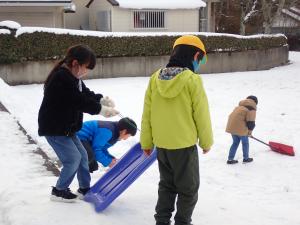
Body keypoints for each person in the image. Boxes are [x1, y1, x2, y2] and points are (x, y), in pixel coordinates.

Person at [140, 35, 213, 225]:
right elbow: (201, 115)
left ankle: (162, 221)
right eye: (201, 59)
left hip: (162, 146)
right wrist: (206, 141)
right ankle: (183, 222)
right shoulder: (192, 80)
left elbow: (147, 113)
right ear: (195, 55)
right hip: (184, 146)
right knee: (188, 188)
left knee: (167, 185)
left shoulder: (155, 78)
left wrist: (146, 142)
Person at [38, 44, 119, 203]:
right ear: (75, 63)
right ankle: (59, 191)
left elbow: (85, 94)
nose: (86, 72)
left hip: (67, 129)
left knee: (82, 156)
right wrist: (101, 110)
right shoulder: (61, 78)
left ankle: (84, 189)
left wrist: (101, 100)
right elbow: (78, 101)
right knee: (73, 159)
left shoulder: (73, 78)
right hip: (54, 128)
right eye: (86, 67)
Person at [226, 95, 258, 164]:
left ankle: (230, 159)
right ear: (255, 102)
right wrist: (249, 132)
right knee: (245, 143)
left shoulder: (239, 107)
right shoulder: (251, 109)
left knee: (235, 143)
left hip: (232, 127)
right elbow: (251, 123)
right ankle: (246, 158)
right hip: (241, 129)